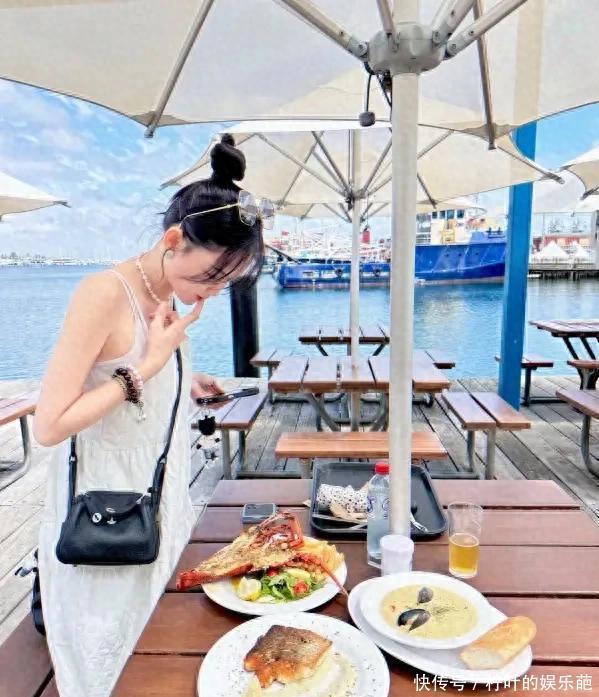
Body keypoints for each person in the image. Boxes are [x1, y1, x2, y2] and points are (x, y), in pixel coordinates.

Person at [33, 134, 264, 697]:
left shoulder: (164, 295)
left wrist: (184, 377)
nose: (213, 293)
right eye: (211, 277)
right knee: (109, 659)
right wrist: (149, 368)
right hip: (106, 509)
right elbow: (49, 425)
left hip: (160, 493)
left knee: (156, 647)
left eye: (227, 281)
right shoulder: (102, 293)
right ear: (172, 241)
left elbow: (137, 375)